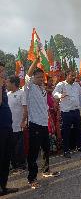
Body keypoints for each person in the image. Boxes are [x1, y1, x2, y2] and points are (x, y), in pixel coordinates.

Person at [25, 58, 60, 189]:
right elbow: (28, 74)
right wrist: (36, 61)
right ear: (33, 78)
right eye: (38, 77)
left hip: (44, 123)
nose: (40, 79)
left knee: (46, 149)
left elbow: (45, 106)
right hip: (34, 124)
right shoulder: (29, 87)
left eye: (42, 77)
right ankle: (31, 178)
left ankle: (46, 171)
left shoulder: (43, 90)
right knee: (34, 152)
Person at [53, 69, 81, 158]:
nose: (74, 77)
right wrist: (61, 95)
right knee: (66, 131)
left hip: (76, 111)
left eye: (74, 76)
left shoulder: (77, 85)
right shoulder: (61, 84)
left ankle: (79, 146)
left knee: (79, 129)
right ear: (67, 75)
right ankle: (66, 150)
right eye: (72, 75)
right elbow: (54, 93)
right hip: (66, 112)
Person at [0, 61, 19, 196]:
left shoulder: (2, 88)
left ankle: (3, 186)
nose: (2, 74)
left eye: (2, 71)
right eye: (0, 71)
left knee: (6, 158)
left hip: (7, 127)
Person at [6, 76, 28, 172]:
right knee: (10, 147)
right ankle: (14, 165)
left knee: (19, 147)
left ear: (13, 84)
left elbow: (25, 109)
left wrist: (23, 121)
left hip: (19, 125)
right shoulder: (7, 94)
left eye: (8, 83)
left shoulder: (21, 93)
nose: (6, 84)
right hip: (9, 126)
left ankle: (22, 164)